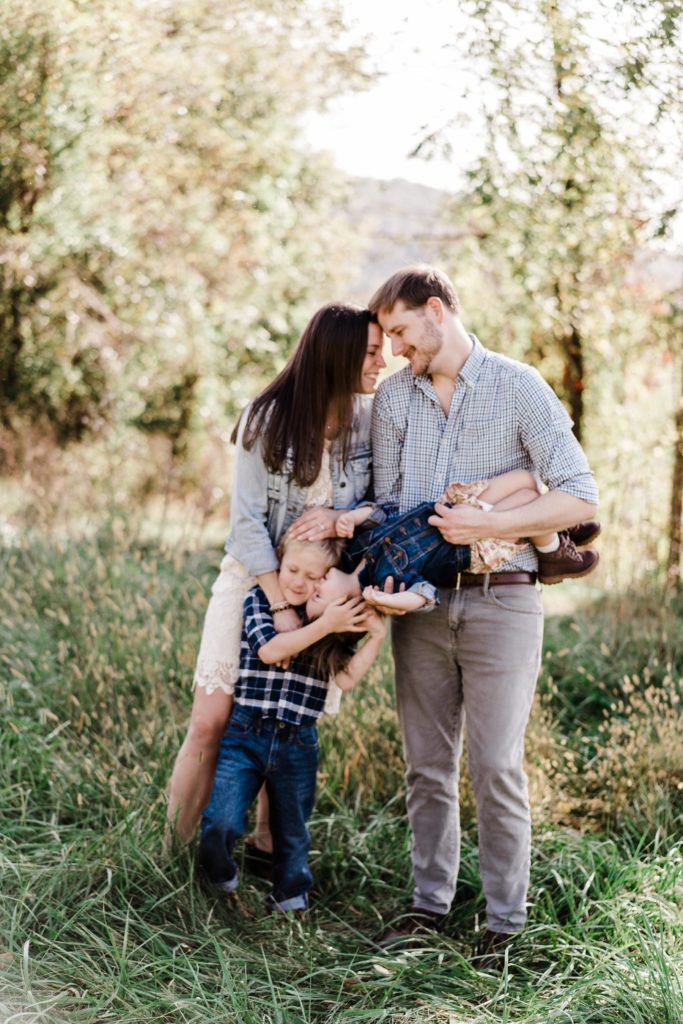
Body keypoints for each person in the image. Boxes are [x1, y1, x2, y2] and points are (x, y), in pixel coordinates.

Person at [365, 265, 599, 958]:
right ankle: (427, 905)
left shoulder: (517, 385)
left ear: (436, 311)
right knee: (425, 765)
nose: (396, 349)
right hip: (420, 608)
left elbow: (580, 497)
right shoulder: (392, 402)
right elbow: (386, 507)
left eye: (402, 331)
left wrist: (493, 520)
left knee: (495, 765)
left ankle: (504, 923)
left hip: (504, 605)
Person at [167, 303, 386, 844]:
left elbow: (390, 504)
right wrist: (280, 606)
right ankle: (170, 851)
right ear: (338, 357)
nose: (384, 361)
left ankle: (267, 855)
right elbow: (245, 525)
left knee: (287, 724)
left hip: (322, 592)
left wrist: (344, 517)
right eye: (373, 352)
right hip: (255, 579)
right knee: (212, 719)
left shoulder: (371, 422)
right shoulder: (265, 419)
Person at [199, 532, 386, 913]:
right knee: (222, 819)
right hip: (246, 732)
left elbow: (347, 678)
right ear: (279, 564)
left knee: (293, 828)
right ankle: (218, 879)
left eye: (312, 575)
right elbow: (269, 651)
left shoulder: (329, 616)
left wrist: (377, 636)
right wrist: (326, 625)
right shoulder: (259, 602)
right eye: (292, 569)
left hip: (298, 740)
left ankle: (290, 897)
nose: (299, 581)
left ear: (326, 578)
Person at [328, 468, 599, 614]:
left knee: (526, 479)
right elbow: (425, 595)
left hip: (452, 509)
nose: (315, 582)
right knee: (528, 499)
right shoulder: (384, 586)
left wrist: (352, 516)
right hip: (468, 544)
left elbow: (379, 514)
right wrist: (395, 601)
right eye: (316, 595)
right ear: (339, 605)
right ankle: (553, 553)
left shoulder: (354, 549)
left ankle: (558, 528)